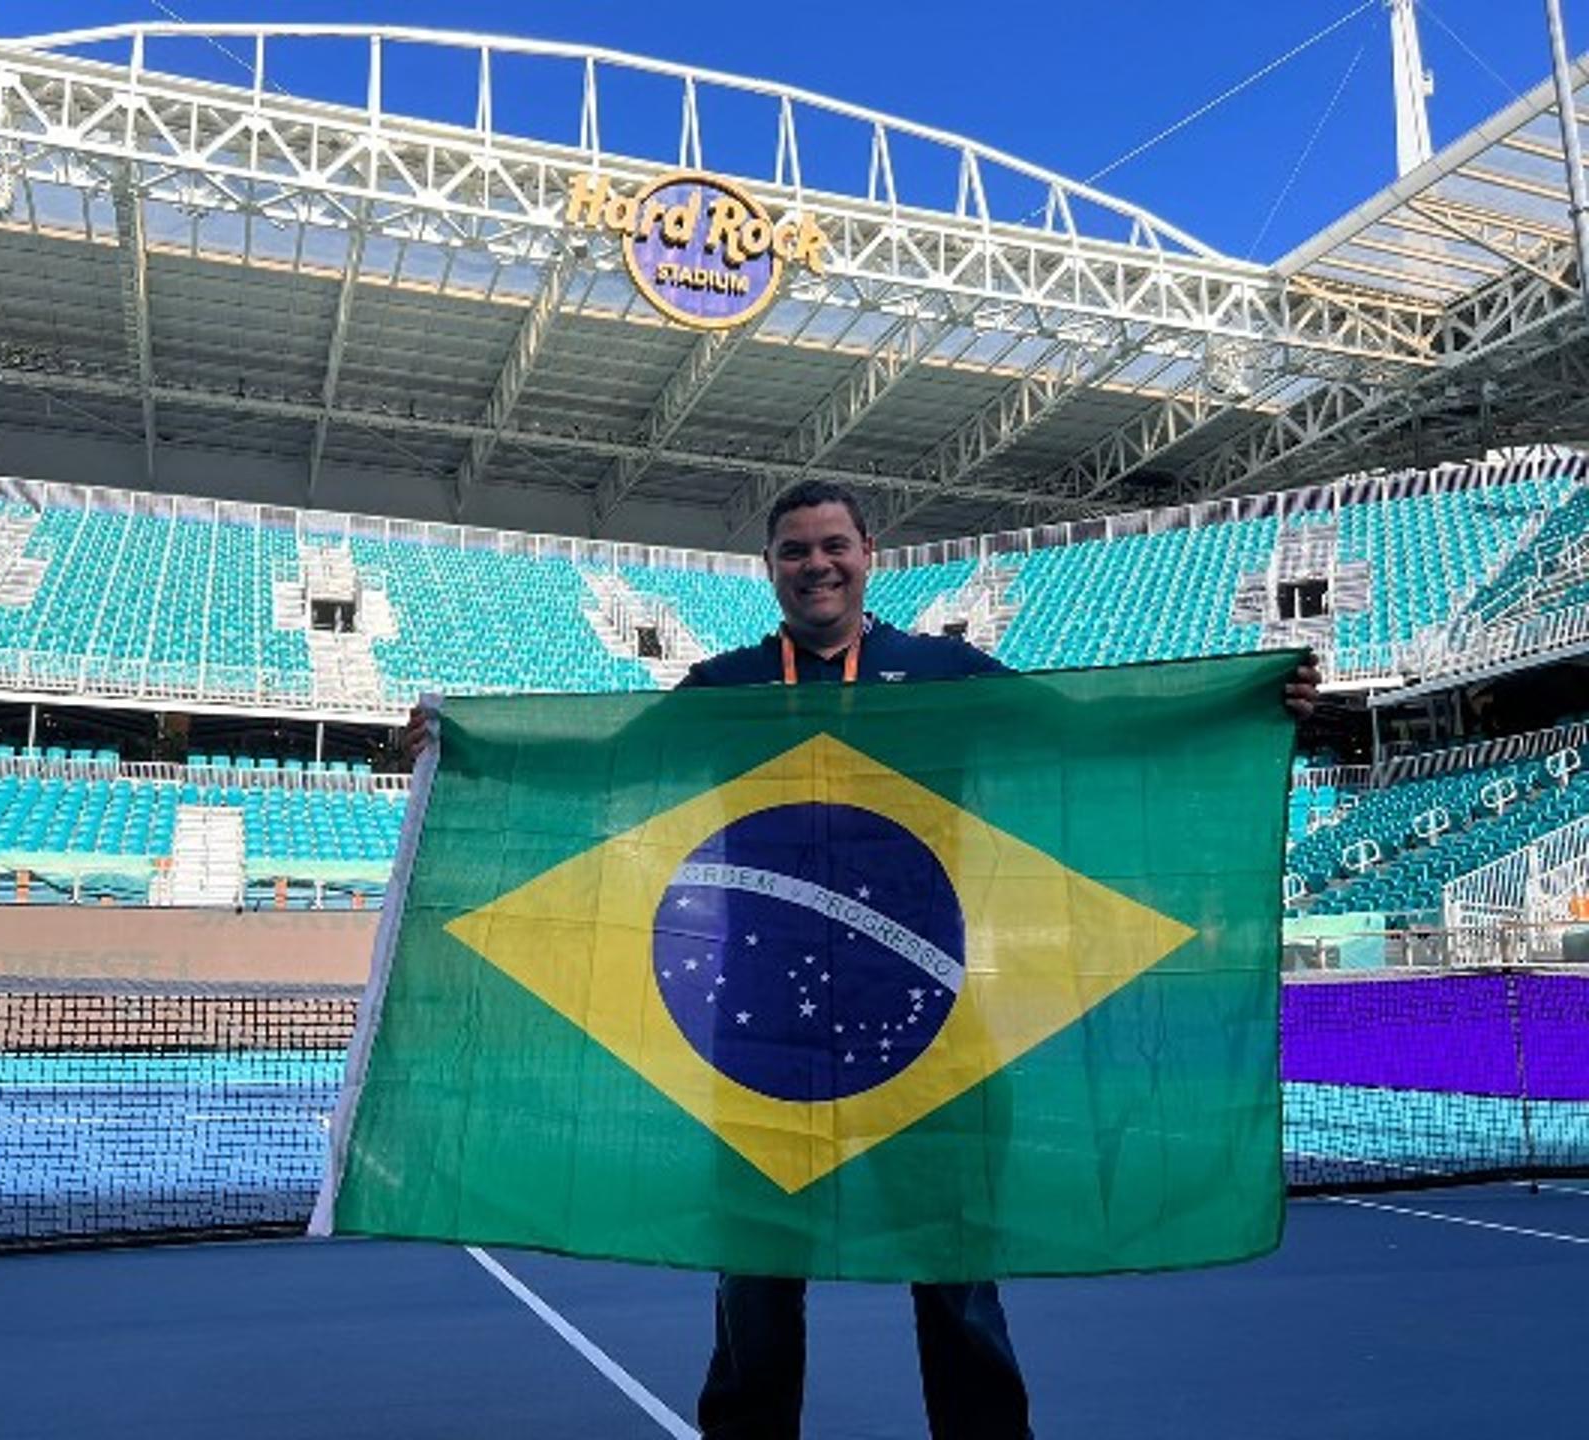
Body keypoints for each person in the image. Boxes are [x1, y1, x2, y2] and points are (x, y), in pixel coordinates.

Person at [404, 479, 1321, 1440]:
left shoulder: (943, 673)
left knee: (957, 1281)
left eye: (832, 545)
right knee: (755, 1282)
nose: (817, 565)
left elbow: (1084, 728)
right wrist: (463, 747)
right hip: (762, 1034)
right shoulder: (725, 690)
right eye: (795, 551)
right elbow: (609, 762)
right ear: (770, 571)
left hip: (932, 1026)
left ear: (867, 552)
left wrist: (1252, 703)